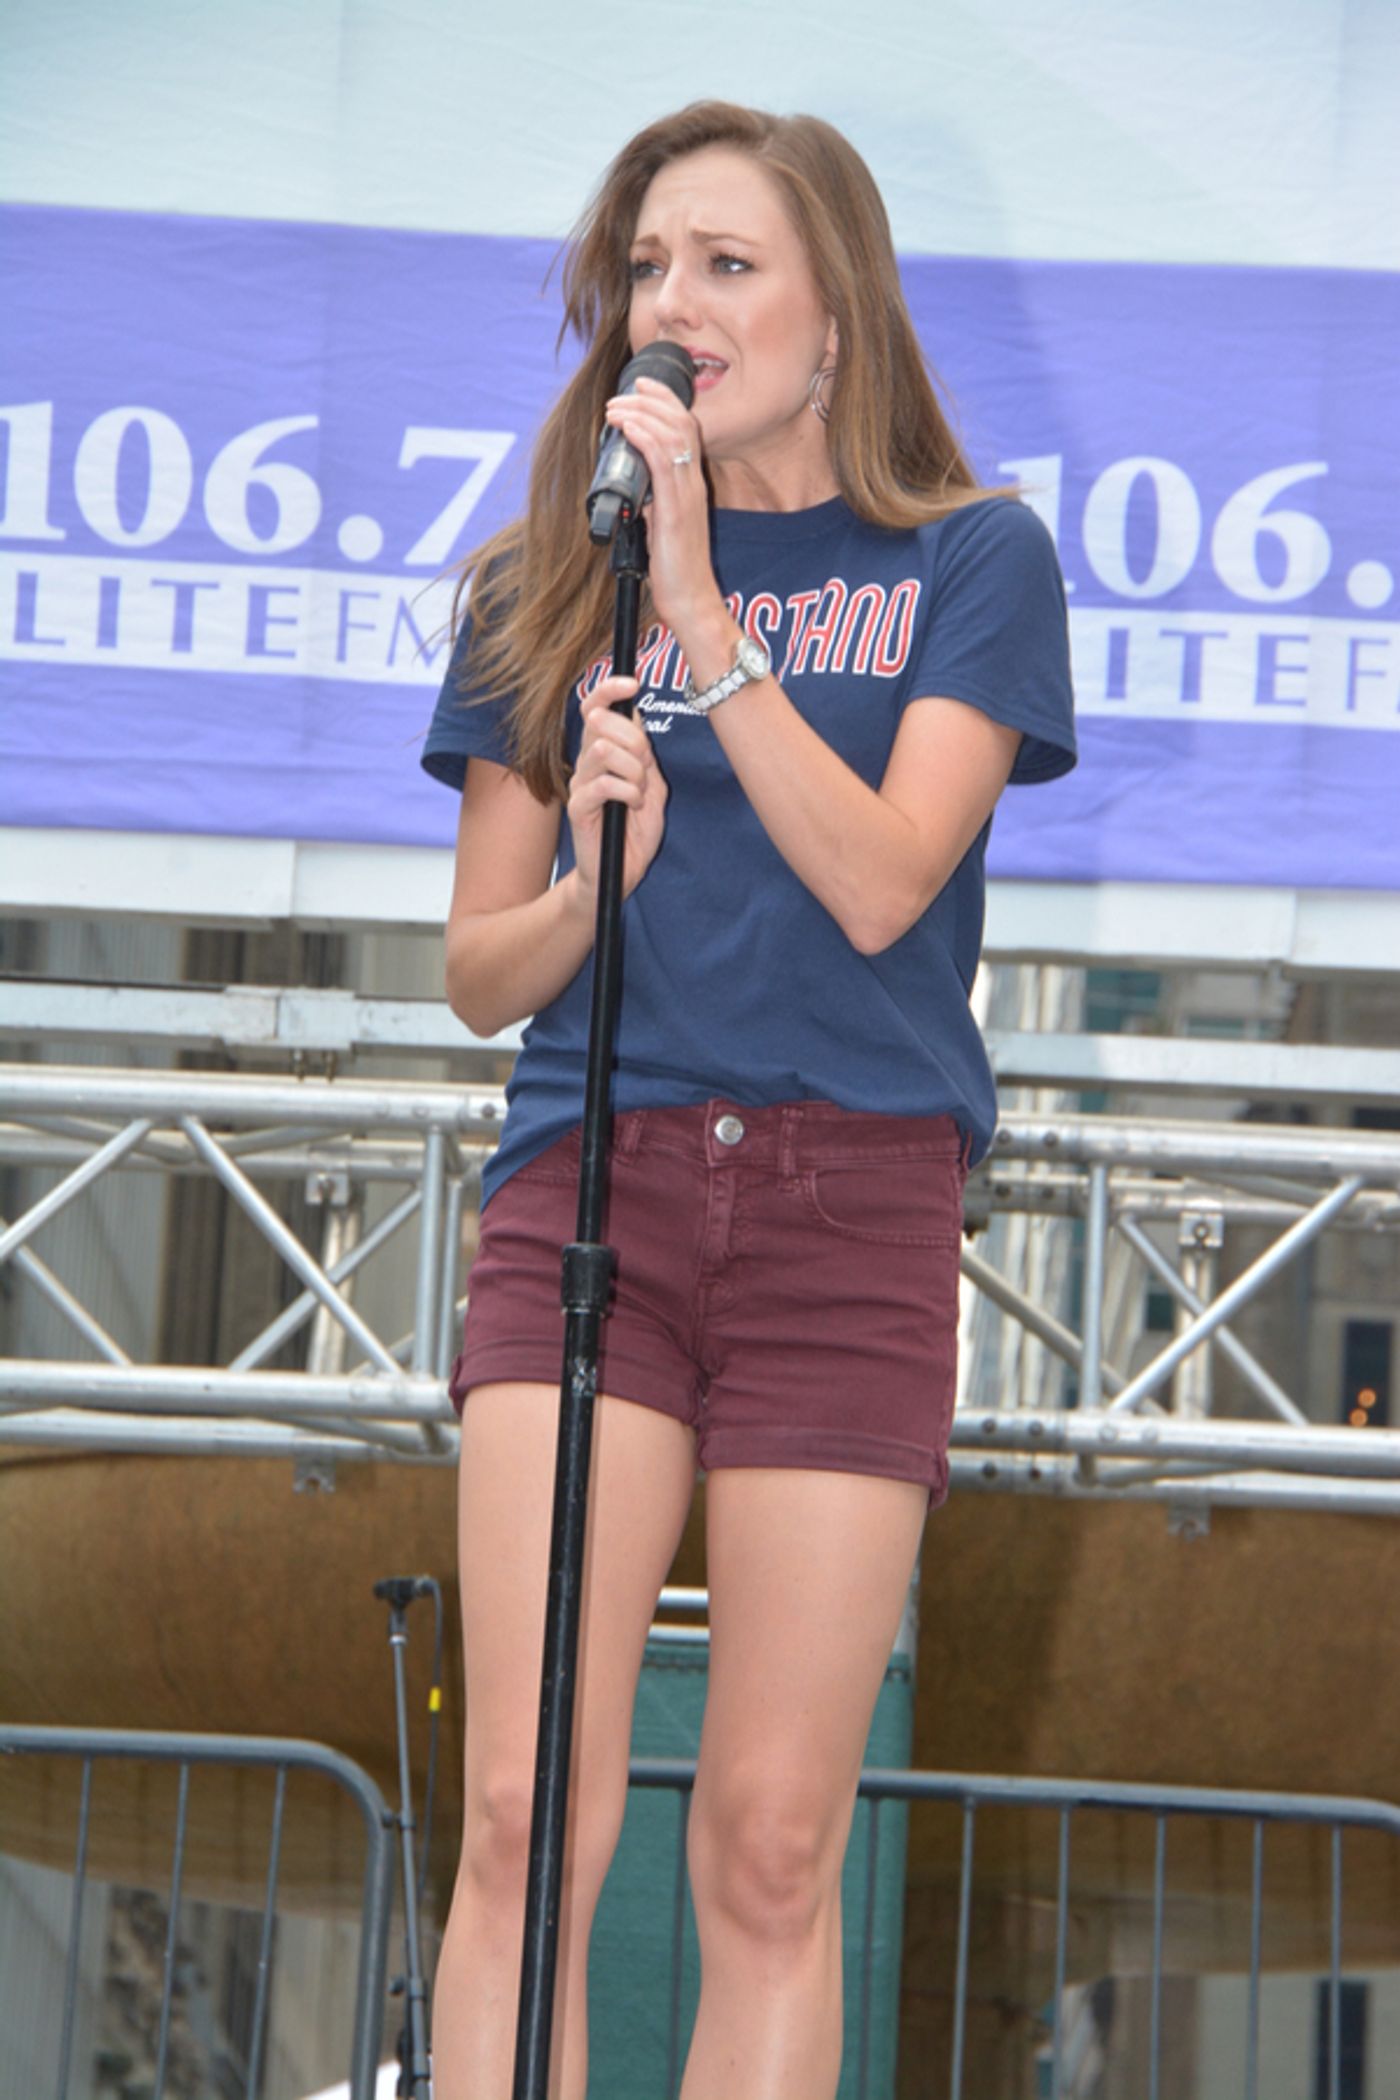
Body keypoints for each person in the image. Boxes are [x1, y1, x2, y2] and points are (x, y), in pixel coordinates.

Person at [420, 99, 1075, 2100]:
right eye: (646, 267)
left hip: (845, 1203)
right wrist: (589, 887)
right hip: (587, 1190)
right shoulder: (548, 580)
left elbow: (885, 884)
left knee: (774, 1844)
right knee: (528, 1808)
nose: (674, 306)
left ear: (835, 313)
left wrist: (713, 623)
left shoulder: (969, 559)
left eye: (725, 265)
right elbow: (475, 978)